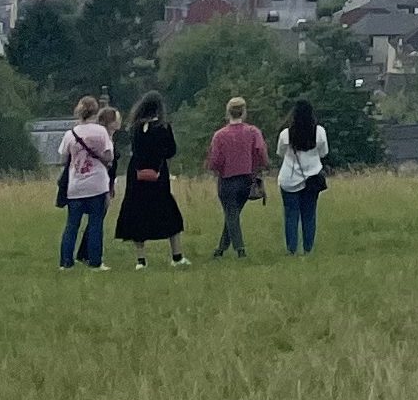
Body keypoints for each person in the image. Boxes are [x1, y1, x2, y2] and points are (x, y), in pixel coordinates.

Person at [116, 91, 189, 269]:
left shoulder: (134, 128)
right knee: (168, 211)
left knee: (137, 211)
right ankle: (177, 256)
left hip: (137, 173)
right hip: (158, 174)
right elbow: (171, 151)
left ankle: (141, 260)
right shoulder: (163, 127)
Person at [54, 95, 116, 269]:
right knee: (96, 224)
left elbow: (62, 159)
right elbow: (109, 155)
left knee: (72, 225)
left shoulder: (70, 133)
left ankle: (66, 262)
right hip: (97, 184)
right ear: (95, 112)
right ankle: (95, 262)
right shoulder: (101, 132)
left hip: (76, 185)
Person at [204, 96, 268, 259]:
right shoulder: (253, 132)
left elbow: (215, 160)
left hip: (227, 179)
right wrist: (259, 166)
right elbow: (261, 151)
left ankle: (240, 250)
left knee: (231, 214)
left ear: (228, 113)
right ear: (244, 112)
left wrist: (216, 168)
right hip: (247, 178)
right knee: (233, 214)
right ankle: (220, 249)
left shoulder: (219, 135)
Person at [274, 98, 329, 257]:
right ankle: (308, 249)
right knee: (309, 215)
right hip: (312, 178)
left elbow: (280, 153)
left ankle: (291, 249)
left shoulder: (286, 134)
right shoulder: (319, 132)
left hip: (289, 179)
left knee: (291, 215)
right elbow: (324, 153)